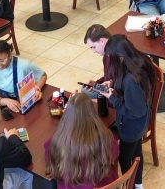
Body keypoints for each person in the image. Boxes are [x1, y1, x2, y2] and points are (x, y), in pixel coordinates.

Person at [99, 35, 154, 189]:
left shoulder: (131, 81)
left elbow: (134, 112)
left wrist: (113, 97)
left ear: (120, 57)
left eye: (111, 57)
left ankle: (130, 185)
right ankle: (138, 185)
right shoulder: (138, 61)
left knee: (124, 158)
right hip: (140, 124)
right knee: (137, 153)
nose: (109, 60)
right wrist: (113, 83)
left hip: (132, 126)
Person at [45, 92, 119, 189]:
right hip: (103, 184)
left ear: (67, 116)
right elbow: (115, 153)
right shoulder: (105, 136)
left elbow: (49, 160)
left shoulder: (58, 141)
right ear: (92, 113)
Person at [0, 39, 47, 115]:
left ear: (9, 54)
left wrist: (37, 88)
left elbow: (43, 75)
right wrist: (5, 101)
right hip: (1, 101)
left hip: (24, 99)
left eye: (2, 60)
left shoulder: (24, 65)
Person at [81, 24, 112, 97]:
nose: (93, 51)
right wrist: (96, 84)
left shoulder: (116, 57)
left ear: (102, 41)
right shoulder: (106, 56)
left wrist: (104, 88)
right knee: (84, 89)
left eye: (93, 47)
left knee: (84, 92)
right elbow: (108, 76)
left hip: (114, 94)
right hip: (109, 88)